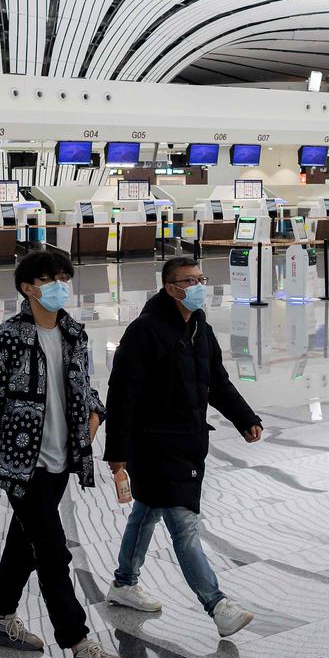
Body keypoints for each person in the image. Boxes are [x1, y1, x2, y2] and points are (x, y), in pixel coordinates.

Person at [0, 251, 120, 658]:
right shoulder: (2, 341)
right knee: (51, 550)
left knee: (25, 542)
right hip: (20, 465)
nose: (60, 285)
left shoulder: (74, 334)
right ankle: (78, 641)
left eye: (65, 276)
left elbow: (86, 389)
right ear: (28, 288)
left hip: (61, 461)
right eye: (49, 278)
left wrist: (95, 415)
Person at [103, 257, 264, 638]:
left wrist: (245, 418)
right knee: (184, 523)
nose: (198, 286)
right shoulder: (144, 331)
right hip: (155, 444)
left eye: (201, 279)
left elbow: (217, 381)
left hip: (190, 440)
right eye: (189, 281)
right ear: (170, 287)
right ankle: (217, 604)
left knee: (146, 511)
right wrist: (118, 453)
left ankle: (124, 583)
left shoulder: (200, 327)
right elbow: (122, 394)